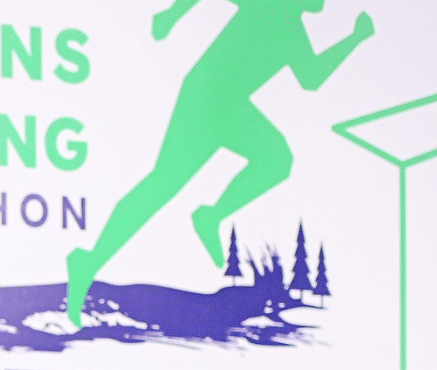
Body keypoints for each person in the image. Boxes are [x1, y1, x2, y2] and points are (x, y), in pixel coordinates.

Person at [65, 0, 373, 324]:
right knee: (162, 184)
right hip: (204, 98)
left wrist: (355, 38)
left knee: (277, 159)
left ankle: (211, 215)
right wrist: (172, 15)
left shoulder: (294, 33)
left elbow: (311, 77)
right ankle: (89, 262)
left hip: (231, 107)